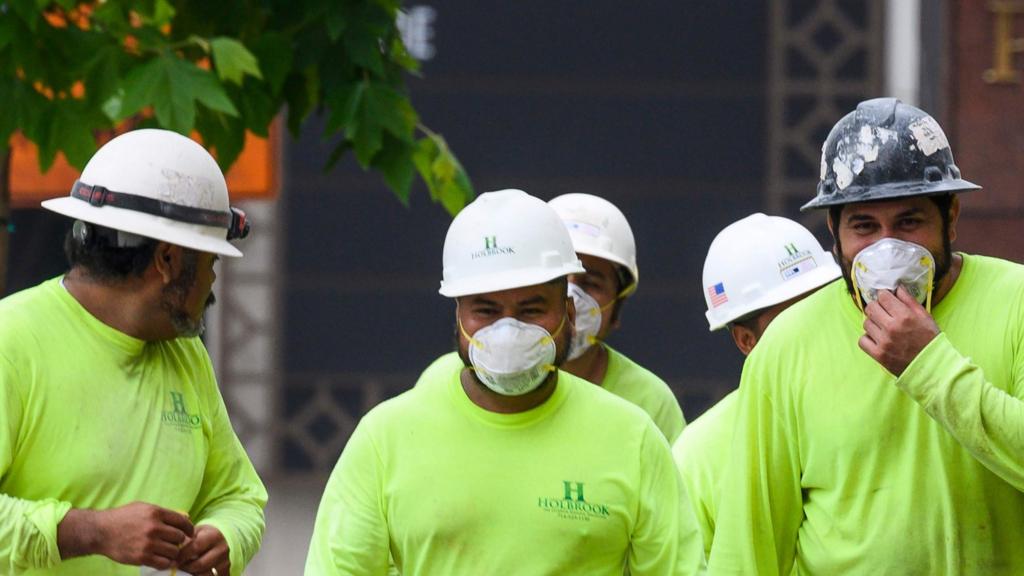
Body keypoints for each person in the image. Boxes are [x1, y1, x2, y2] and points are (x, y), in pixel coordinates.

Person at [305, 189, 705, 575]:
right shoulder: (384, 439)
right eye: (487, 310)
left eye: (531, 309)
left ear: (568, 311)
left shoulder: (633, 438)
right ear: (458, 312)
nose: (509, 331)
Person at [708, 98, 1024, 574]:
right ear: (833, 233)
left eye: (909, 222)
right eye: (864, 227)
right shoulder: (787, 345)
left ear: (952, 217)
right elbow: (749, 548)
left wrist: (929, 364)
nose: (887, 249)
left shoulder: (1015, 302)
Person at [0, 129, 267, 575]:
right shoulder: (12, 341)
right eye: (210, 263)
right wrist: (91, 532)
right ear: (167, 260)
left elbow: (238, 495)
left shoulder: (187, 357)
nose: (213, 283)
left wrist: (226, 534)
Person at [672, 213, 841, 559]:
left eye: (822, 305)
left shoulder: (886, 399)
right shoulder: (700, 451)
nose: (815, 326)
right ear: (746, 340)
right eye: (792, 317)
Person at [549, 193, 685, 442]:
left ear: (617, 305)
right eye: (558, 279)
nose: (571, 298)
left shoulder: (651, 401)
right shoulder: (469, 381)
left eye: (590, 284)